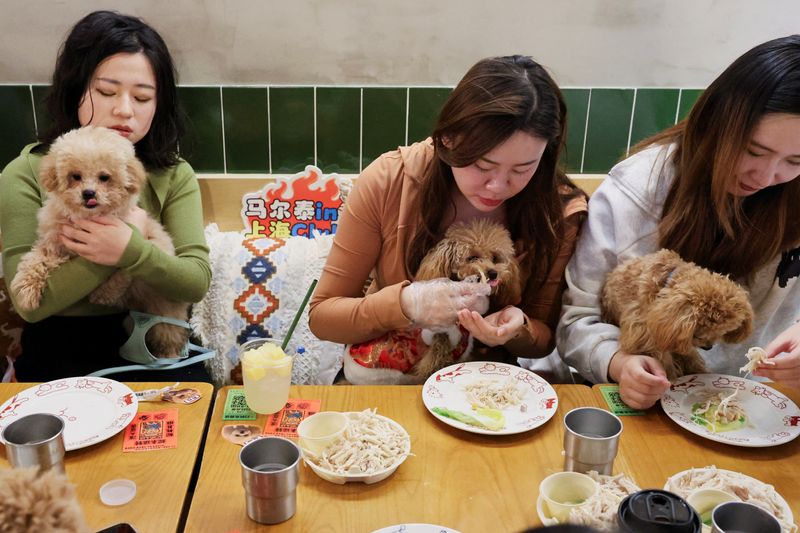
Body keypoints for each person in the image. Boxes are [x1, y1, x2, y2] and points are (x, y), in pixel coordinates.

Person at [558, 35, 800, 409]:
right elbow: (577, 320)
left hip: (752, 405)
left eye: (795, 162)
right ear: (717, 122)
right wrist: (617, 363)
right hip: (640, 405)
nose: (767, 176)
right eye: (754, 150)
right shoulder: (641, 189)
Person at [309, 55, 587, 379]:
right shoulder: (388, 181)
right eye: (482, 166)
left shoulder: (558, 212)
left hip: (487, 385)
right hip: (386, 379)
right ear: (446, 139)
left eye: (522, 169)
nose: (497, 186)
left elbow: (542, 340)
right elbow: (323, 317)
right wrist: (407, 304)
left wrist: (518, 328)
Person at [0, 11, 211, 381]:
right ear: (76, 88)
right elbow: (29, 306)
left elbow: (194, 282)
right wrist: (110, 253)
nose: (125, 110)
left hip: (151, 335)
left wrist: (132, 250)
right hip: (59, 345)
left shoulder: (174, 174)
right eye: (106, 92)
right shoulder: (27, 172)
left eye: (143, 97)